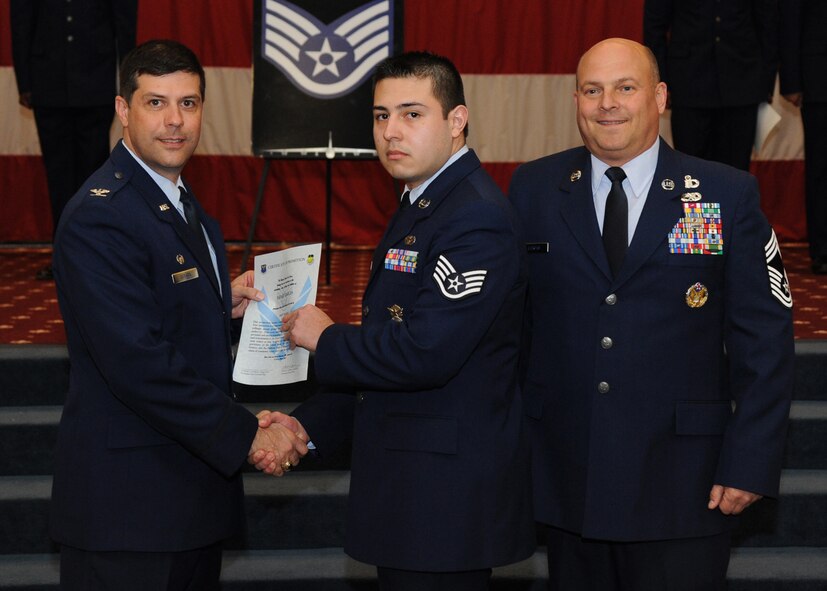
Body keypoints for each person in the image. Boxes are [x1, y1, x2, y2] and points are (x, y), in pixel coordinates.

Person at [508, 38, 794, 590]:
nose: (607, 103)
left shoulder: (723, 193)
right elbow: (512, 331)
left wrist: (750, 461)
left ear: (659, 97)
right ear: (576, 100)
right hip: (570, 475)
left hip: (685, 482)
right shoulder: (535, 189)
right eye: (592, 90)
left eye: (625, 87)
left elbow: (765, 342)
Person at [255, 51, 535, 590]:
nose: (391, 131)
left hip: (444, 503)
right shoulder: (422, 202)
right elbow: (387, 353)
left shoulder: (474, 217)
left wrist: (326, 337)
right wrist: (306, 427)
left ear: (456, 122)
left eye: (412, 114)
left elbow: (424, 352)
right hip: (415, 494)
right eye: (381, 116)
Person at [50, 39, 308, 591]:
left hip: (184, 500)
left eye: (188, 104)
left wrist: (221, 307)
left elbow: (160, 313)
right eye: (156, 103)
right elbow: (137, 361)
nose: (174, 121)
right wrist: (248, 435)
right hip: (127, 511)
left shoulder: (180, 201)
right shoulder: (103, 215)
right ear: (123, 110)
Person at [10, 0, 138, 280]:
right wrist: (25, 82)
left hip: (96, 82)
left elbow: (125, 24)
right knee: (59, 178)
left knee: (95, 178)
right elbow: (21, 20)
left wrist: (129, 85)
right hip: (48, 83)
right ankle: (63, 259)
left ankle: (96, 256)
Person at [643, 0, 778, 172]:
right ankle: (698, 202)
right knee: (690, 172)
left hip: (742, 84)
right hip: (688, 85)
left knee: (735, 172)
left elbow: (768, 24)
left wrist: (765, 82)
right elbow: (654, 28)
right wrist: (661, 83)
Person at [779, 0, 827, 274]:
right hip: (819, 78)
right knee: (820, 168)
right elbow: (790, 19)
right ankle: (822, 250)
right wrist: (792, 81)